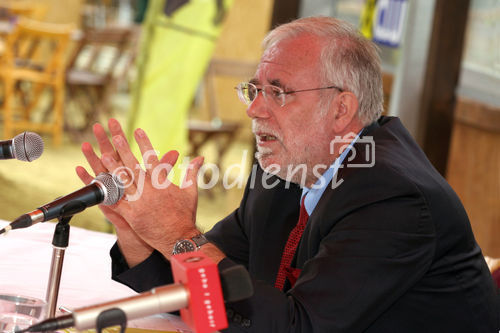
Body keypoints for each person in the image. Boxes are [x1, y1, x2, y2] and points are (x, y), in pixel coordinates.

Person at [76, 16, 499, 332]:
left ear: (340, 109)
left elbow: (299, 328)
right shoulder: (283, 172)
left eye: (278, 92)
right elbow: (203, 292)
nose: (254, 108)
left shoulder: (394, 197)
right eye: (255, 89)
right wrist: (136, 228)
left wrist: (176, 233)